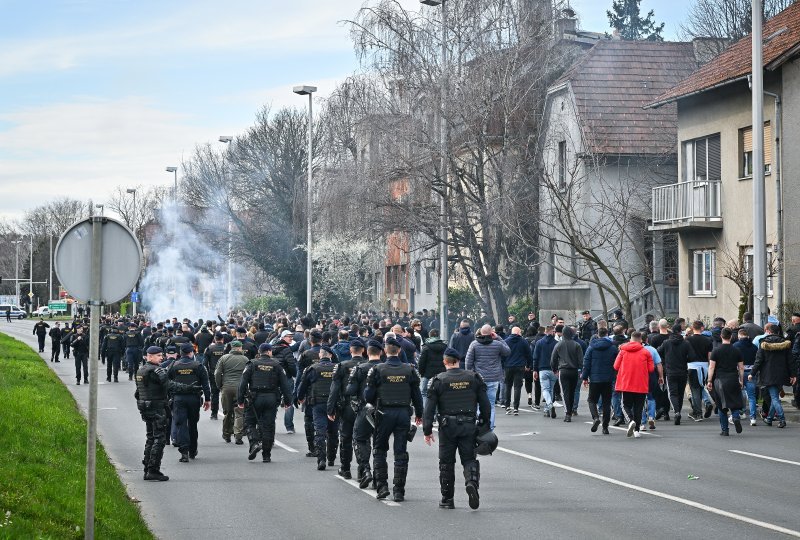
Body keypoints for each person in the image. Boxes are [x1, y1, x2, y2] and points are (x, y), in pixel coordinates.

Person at [423, 347, 491, 510]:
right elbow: (485, 404)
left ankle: (447, 498)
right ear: (458, 361)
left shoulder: (438, 380)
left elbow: (429, 408)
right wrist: (484, 424)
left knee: (446, 462)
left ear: (445, 362)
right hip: (468, 424)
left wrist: (427, 430)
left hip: (447, 427)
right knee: (469, 458)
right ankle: (471, 482)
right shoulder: (474, 377)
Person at [364, 338, 423, 502]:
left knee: (379, 449)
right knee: (400, 452)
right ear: (399, 351)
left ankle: (382, 486)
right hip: (403, 413)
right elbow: (417, 395)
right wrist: (419, 413)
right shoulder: (409, 370)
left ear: (385, 351)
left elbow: (368, 396)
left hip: (383, 413)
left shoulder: (378, 369)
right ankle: (399, 491)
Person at [237, 343, 293, 462]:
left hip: (255, 398)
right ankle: (266, 455)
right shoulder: (277, 365)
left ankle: (255, 442)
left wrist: (240, 400)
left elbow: (242, 383)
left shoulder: (252, 364)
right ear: (269, 352)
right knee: (268, 426)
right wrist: (288, 401)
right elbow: (285, 385)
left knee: (249, 422)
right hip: (271, 398)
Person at [348, 340, 385, 489]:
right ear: (381, 352)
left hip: (366, 409)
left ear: (367, 353)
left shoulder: (360, 368)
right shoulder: (386, 368)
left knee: (359, 439)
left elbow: (350, 390)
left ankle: (366, 470)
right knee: (379, 445)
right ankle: (378, 479)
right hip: (384, 411)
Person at [327, 340, 366, 478]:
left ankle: (346, 468)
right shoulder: (369, 366)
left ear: (350, 351)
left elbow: (334, 389)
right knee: (363, 439)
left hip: (347, 406)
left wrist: (330, 409)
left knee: (346, 437)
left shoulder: (342, 366)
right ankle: (363, 471)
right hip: (365, 408)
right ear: (363, 350)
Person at [296, 345, 338, 470]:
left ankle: (321, 459)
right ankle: (331, 458)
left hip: (318, 403)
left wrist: (300, 397)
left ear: (320, 355)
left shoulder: (312, 369)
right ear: (330, 355)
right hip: (334, 404)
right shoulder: (337, 368)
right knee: (333, 432)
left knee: (320, 431)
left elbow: (303, 385)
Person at [167, 343, 211, 462]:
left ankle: (184, 452)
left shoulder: (173, 365)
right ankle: (192, 450)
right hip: (194, 399)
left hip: (178, 399)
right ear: (191, 353)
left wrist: (169, 398)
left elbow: (166, 383)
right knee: (193, 424)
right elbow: (206, 385)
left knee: (181, 425)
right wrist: (207, 400)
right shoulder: (198, 365)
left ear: (180, 353)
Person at [750, 323, 797, 428]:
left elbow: (758, 361)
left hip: (768, 374)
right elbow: (790, 361)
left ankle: (782, 419)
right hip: (782, 374)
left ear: (769, 332)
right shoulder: (786, 344)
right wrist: (793, 375)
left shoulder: (763, 343)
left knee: (775, 398)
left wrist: (752, 373)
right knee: (775, 396)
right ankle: (769, 419)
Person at [135, 346, 171, 481]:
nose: (161, 358)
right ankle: (153, 469)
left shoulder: (141, 370)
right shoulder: (155, 371)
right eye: (158, 356)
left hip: (146, 407)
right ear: (149, 357)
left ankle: (147, 468)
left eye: (161, 355)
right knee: (159, 438)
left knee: (150, 437)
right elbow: (169, 386)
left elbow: (137, 392)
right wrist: (189, 388)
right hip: (156, 407)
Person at [465, 324, 510, 429]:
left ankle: (478, 427)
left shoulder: (474, 344)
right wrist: (498, 337)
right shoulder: (497, 344)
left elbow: (468, 362)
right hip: (494, 378)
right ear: (491, 333)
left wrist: (471, 374)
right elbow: (508, 351)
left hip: (479, 378)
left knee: (477, 403)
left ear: (480, 332)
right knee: (491, 405)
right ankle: (489, 428)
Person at [613, 332, 654, 438]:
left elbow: (616, 366)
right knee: (639, 408)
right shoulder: (646, 352)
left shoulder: (623, 351)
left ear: (630, 340)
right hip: (641, 383)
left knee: (625, 405)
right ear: (641, 340)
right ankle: (637, 431)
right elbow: (651, 369)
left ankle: (630, 420)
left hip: (626, 383)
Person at [657, 324, 699, 425]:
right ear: (680, 331)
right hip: (682, 371)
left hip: (670, 371)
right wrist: (685, 359)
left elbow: (658, 351)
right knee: (680, 393)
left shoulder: (666, 343)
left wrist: (666, 358)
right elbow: (693, 357)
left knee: (673, 393)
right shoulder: (686, 343)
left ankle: (676, 412)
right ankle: (678, 411)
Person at [708, 328, 745, 436]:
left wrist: (709, 380)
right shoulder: (737, 350)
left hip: (720, 380)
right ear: (731, 337)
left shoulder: (716, 350)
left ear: (721, 336)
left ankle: (725, 430)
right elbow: (741, 367)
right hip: (733, 379)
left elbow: (711, 367)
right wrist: (741, 380)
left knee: (721, 406)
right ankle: (736, 417)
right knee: (735, 402)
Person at [581, 327, 618, 434]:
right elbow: (616, 363)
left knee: (592, 400)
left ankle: (596, 417)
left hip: (595, 378)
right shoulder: (612, 347)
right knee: (607, 403)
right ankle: (605, 427)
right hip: (608, 378)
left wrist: (584, 377)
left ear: (598, 334)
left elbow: (586, 363)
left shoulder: (591, 347)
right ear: (607, 334)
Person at [215, 340, 250, 444]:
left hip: (227, 387)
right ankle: (238, 435)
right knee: (239, 412)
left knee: (227, 412)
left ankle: (226, 434)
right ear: (239, 348)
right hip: (240, 388)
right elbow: (248, 374)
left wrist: (220, 386)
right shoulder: (245, 359)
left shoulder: (224, 358)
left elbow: (217, 373)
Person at [550, 326, 583, 423]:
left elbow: (553, 359)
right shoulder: (577, 345)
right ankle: (572, 409)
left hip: (563, 370)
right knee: (572, 392)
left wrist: (554, 369)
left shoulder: (559, 345)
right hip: (574, 371)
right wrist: (580, 370)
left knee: (565, 392)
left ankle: (567, 413)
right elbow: (581, 360)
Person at [502, 327, 532, 416]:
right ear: (519, 332)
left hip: (508, 366)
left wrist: (504, 364)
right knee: (517, 387)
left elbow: (502, 354)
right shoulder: (523, 341)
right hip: (520, 366)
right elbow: (529, 354)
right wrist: (529, 365)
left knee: (508, 386)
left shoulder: (506, 341)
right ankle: (516, 407)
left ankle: (507, 406)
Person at [533, 325, 558, 418]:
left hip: (542, 369)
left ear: (545, 332)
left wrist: (535, 369)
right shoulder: (556, 343)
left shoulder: (539, 343)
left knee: (545, 389)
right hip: (553, 369)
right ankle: (547, 409)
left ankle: (549, 405)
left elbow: (535, 357)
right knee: (551, 389)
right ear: (552, 332)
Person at [418, 329, 447, 408]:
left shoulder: (426, 347)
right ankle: (438, 412)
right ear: (438, 335)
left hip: (428, 374)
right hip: (441, 374)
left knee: (424, 392)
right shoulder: (445, 346)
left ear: (430, 336)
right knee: (440, 393)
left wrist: (422, 373)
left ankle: (426, 410)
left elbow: (421, 362)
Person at [203, 333, 226, 420]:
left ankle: (214, 414)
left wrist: (208, 374)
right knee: (226, 394)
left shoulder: (209, 348)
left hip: (213, 373)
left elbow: (204, 363)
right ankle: (227, 412)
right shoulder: (226, 348)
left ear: (215, 339)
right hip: (225, 373)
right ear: (222, 339)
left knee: (214, 393)